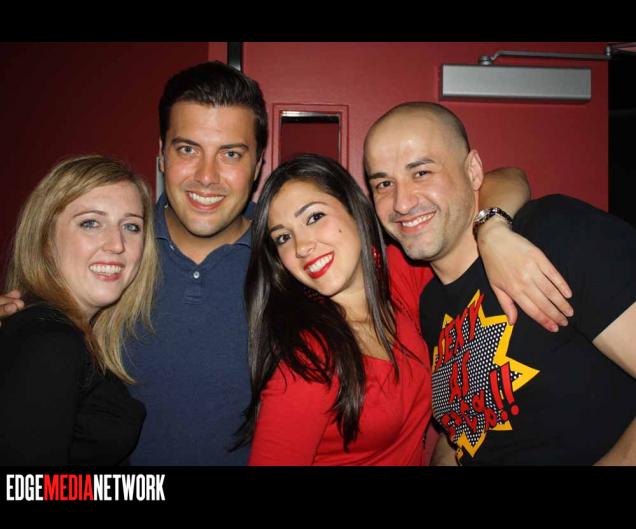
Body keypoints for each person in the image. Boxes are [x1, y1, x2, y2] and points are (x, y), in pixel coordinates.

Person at [0, 61, 572, 465]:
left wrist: (493, 227)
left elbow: (499, 180)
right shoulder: (121, 253)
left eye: (231, 153)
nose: (206, 177)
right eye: (187, 150)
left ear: (256, 167)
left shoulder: (296, 260)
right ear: (162, 157)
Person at [236, 153, 570, 465]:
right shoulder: (307, 364)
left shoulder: (399, 275)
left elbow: (508, 178)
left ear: (354, 209)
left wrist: (493, 231)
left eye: (314, 217)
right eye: (283, 237)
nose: (302, 247)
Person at [364, 102, 636, 465]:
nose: (401, 202)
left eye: (422, 172)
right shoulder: (430, 305)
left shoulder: (556, 233)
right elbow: (469, 431)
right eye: (384, 183)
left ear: (473, 171)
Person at [0, 155, 157, 465]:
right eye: (91, 223)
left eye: (131, 226)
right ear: (46, 239)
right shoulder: (49, 340)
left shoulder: (62, 332)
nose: (117, 244)